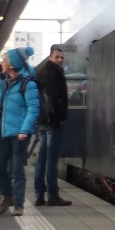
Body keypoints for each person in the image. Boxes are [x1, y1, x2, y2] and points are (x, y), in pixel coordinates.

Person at [0, 47, 40, 216]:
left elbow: (33, 109)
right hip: (4, 131)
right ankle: (7, 195)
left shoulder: (28, 84)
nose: (2, 62)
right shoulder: (5, 83)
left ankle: (19, 204)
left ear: (13, 64)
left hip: (20, 134)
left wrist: (25, 129)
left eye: (5, 59)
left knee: (16, 169)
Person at [33, 44, 71, 207]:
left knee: (42, 158)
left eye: (62, 57)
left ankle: (39, 196)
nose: (60, 60)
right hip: (53, 121)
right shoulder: (53, 73)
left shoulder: (41, 72)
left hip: (42, 121)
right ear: (50, 56)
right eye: (57, 57)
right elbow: (55, 98)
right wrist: (61, 117)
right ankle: (53, 196)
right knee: (51, 160)